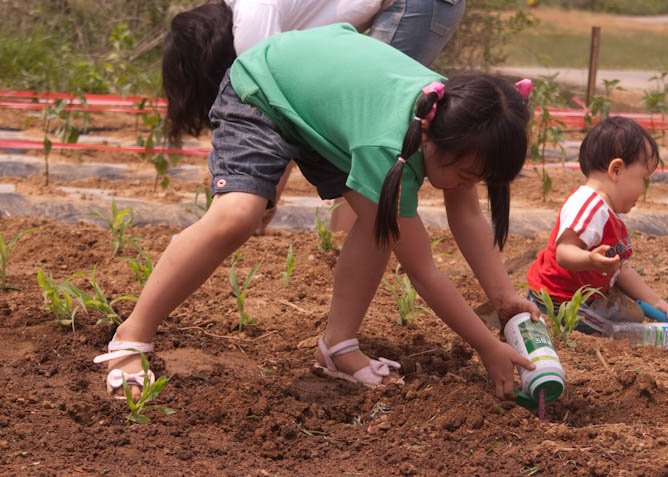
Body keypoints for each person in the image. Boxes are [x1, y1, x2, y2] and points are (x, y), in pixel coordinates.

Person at [96, 23, 538, 401]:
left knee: (378, 222)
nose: (467, 187)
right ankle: (130, 337)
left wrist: (503, 298)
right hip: (268, 87)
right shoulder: (393, 142)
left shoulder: (458, 121)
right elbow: (424, 271)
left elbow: (469, 216)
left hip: (329, 105)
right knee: (238, 215)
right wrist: (486, 346)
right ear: (429, 139)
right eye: (464, 175)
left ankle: (337, 347)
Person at [162, 0, 466, 232]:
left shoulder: (251, 23)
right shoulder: (252, 3)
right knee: (357, 121)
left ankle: (344, 238)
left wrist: (258, 205)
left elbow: (277, 117)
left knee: (366, 119)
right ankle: (347, 234)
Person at [525, 116, 668, 333]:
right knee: (628, 321)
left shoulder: (608, 213)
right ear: (617, 170)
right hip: (557, 303)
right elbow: (564, 252)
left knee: (634, 313)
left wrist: (654, 300)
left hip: (579, 297)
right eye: (643, 178)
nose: (644, 189)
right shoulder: (588, 206)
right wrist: (590, 260)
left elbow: (620, 269)